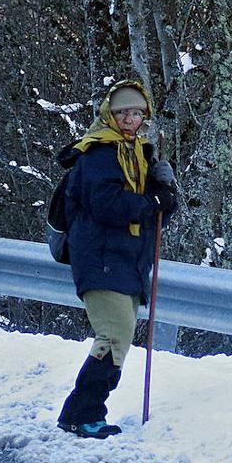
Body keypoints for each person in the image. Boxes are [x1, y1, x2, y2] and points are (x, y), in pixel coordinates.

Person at [56, 79, 177, 439]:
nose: (130, 119)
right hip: (100, 255)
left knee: (117, 338)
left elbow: (152, 215)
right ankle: (84, 413)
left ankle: (77, 413)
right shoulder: (98, 154)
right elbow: (106, 204)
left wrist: (163, 193)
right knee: (113, 336)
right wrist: (151, 202)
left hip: (129, 259)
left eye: (137, 113)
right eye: (124, 112)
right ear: (110, 114)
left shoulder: (140, 154)